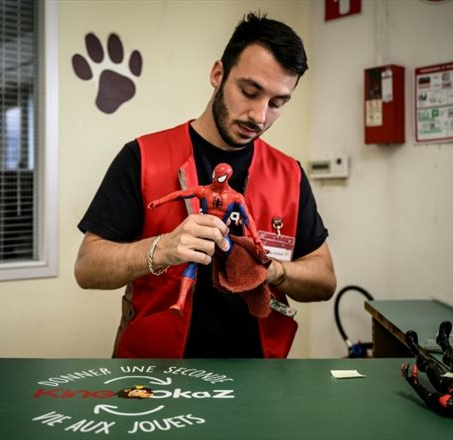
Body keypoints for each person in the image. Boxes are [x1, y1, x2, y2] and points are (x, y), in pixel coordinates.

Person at [75, 11, 336, 358]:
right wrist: (161, 249)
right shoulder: (142, 157)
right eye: (249, 91)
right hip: (157, 370)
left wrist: (273, 271)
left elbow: (325, 280)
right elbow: (87, 267)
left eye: (277, 103)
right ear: (218, 74)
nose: (259, 116)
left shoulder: (289, 174)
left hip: (259, 374)